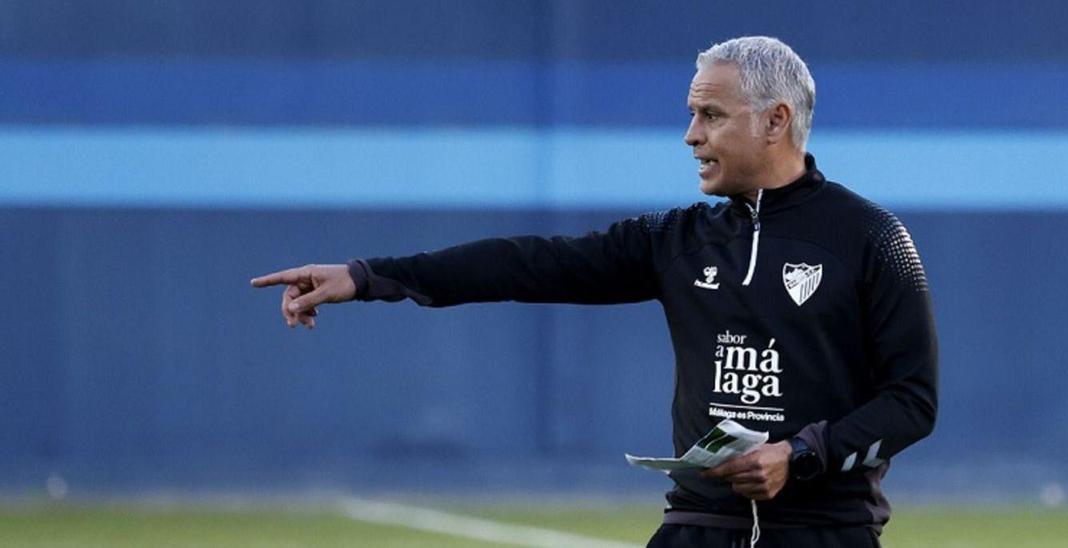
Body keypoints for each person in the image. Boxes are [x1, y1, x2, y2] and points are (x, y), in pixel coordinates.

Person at [252, 36, 937, 548]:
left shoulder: (872, 238)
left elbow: (912, 402)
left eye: (710, 115)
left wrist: (800, 454)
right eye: (692, 114)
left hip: (826, 533)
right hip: (695, 525)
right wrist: (368, 278)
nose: (690, 135)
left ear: (776, 120)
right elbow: (529, 264)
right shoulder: (677, 239)